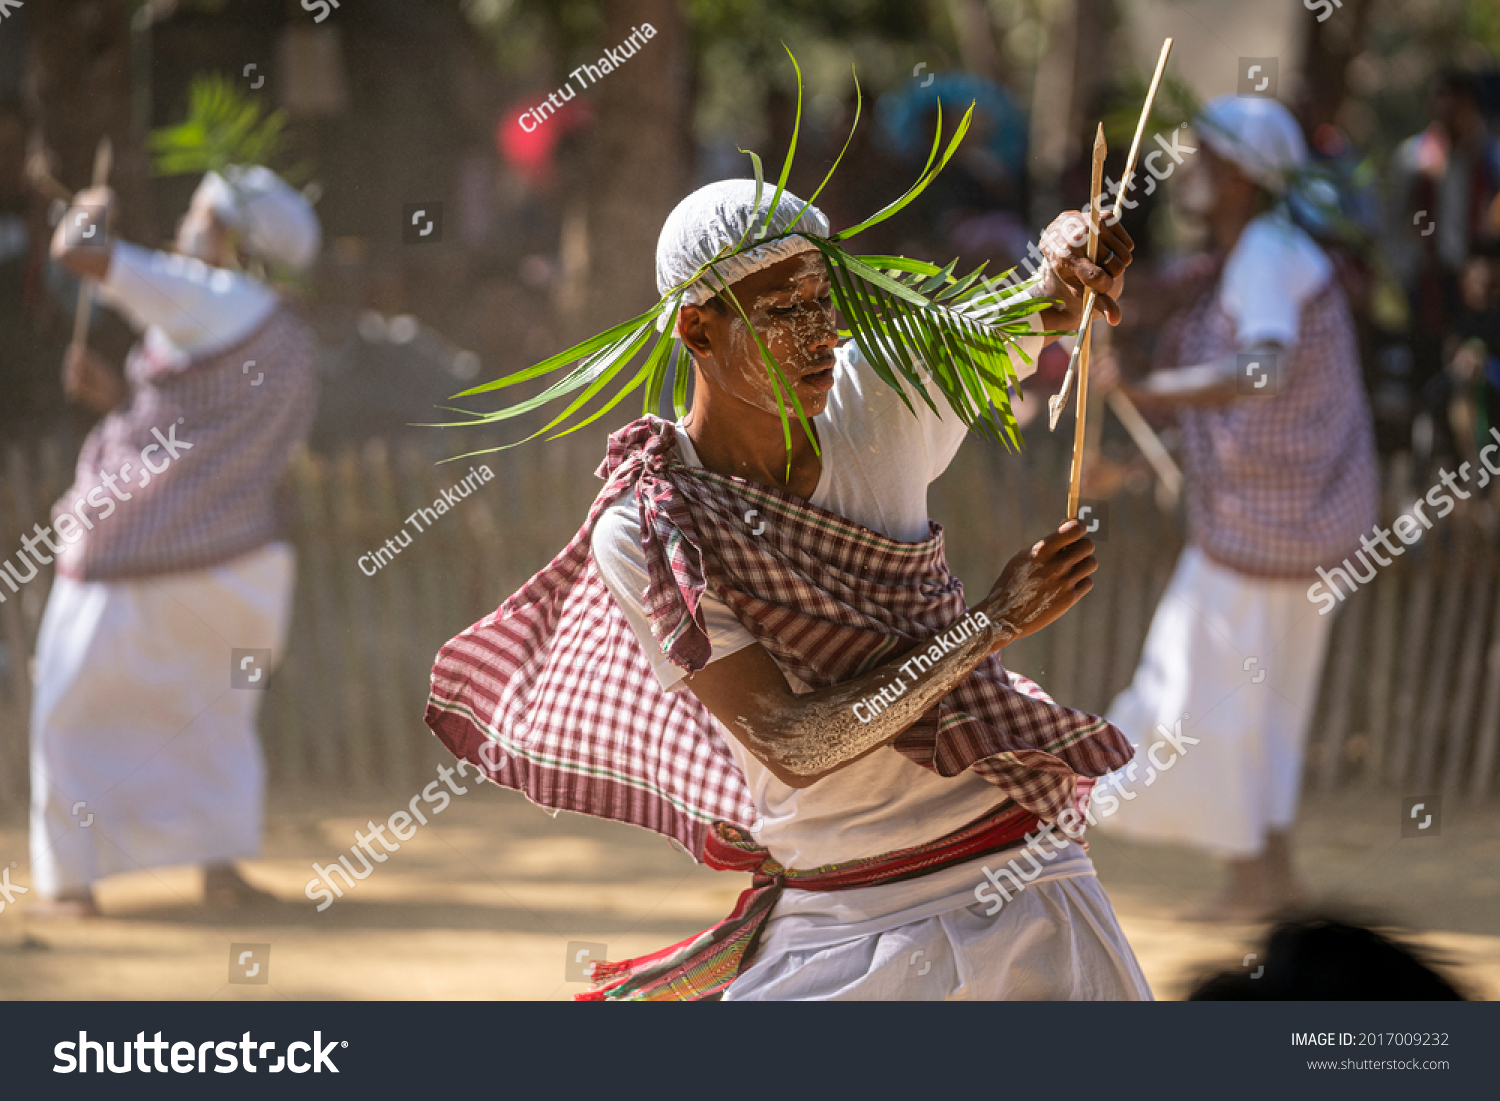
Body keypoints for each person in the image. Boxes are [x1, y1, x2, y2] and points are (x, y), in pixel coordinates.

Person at [428, 177, 1152, 1000]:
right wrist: (988, 623)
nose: (818, 336)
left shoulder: (884, 390)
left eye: (823, 301)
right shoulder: (650, 529)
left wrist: (1072, 253)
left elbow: (1050, 305)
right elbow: (796, 743)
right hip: (837, 913)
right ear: (697, 328)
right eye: (782, 309)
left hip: (1020, 883)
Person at [1096, 96, 1378, 921]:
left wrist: (1144, 391)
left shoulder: (1263, 256)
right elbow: (1249, 415)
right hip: (1314, 525)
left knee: (1198, 699)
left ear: (1243, 178)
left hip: (1265, 529)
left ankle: (1252, 874)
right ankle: (1271, 875)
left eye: (1208, 158)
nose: (1191, 168)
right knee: (1269, 704)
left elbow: (1263, 374)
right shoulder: (1264, 254)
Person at [30, 165, 320, 916]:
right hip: (242, 560)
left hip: (131, 553)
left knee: (72, 712)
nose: (187, 226)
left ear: (226, 232)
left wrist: (92, 210)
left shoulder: (206, 293)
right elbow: (204, 425)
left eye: (200, 212)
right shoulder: (282, 328)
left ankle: (72, 886)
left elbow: (78, 252)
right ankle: (219, 869)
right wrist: (121, 399)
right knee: (214, 720)